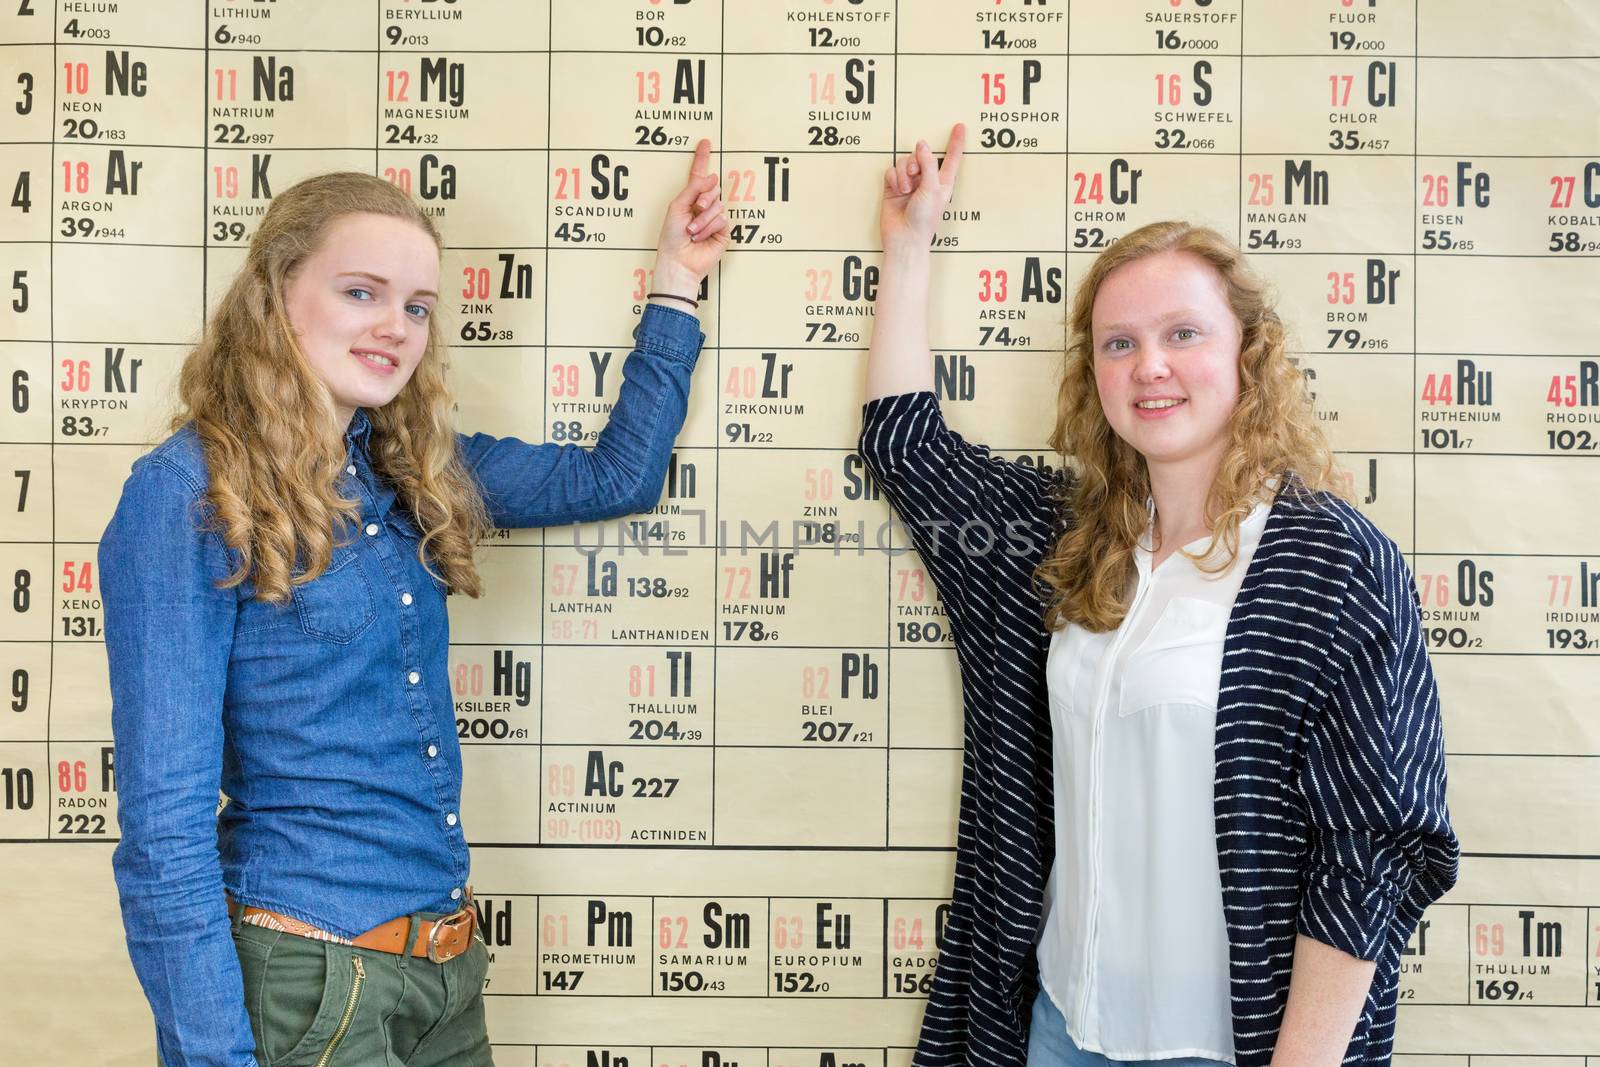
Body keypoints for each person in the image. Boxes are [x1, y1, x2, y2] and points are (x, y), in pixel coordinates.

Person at [102, 142, 729, 1067]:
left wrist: (677, 281)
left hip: (444, 973)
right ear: (277, 293)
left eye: (418, 306)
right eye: (362, 291)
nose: (395, 325)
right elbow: (163, 829)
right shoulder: (186, 492)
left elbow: (618, 475)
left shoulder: (410, 467)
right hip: (307, 980)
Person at [858, 124, 1458, 1067]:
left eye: (1183, 333)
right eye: (1119, 343)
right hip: (1059, 1028)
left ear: (1247, 352)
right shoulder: (1067, 537)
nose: (1150, 366)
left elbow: (1376, 847)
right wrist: (908, 242)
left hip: (1229, 1047)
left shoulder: (1332, 564)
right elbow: (907, 450)